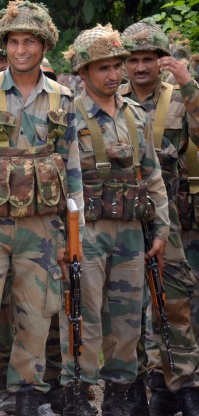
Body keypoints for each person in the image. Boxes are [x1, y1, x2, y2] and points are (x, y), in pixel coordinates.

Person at [0, 1, 83, 414]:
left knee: (37, 315)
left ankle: (26, 394)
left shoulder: (63, 97)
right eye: (15, 42)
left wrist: (71, 234)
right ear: (5, 46)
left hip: (42, 227)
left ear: (44, 47)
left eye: (30, 42)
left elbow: (72, 168)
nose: (21, 50)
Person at [60, 24, 169, 416]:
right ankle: (79, 391)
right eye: (101, 68)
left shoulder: (134, 114)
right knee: (83, 313)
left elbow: (152, 174)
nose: (112, 75)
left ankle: (120, 393)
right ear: (84, 73)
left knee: (127, 317)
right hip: (86, 230)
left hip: (130, 231)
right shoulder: (67, 113)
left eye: (115, 67)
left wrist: (161, 228)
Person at [119, 18, 199, 415]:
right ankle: (133, 388)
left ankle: (183, 386)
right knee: (126, 306)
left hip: (169, 222)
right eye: (132, 60)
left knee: (174, 303)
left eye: (148, 59)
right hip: (122, 220)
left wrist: (189, 83)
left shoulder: (181, 97)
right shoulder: (110, 99)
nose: (140, 68)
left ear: (161, 60)